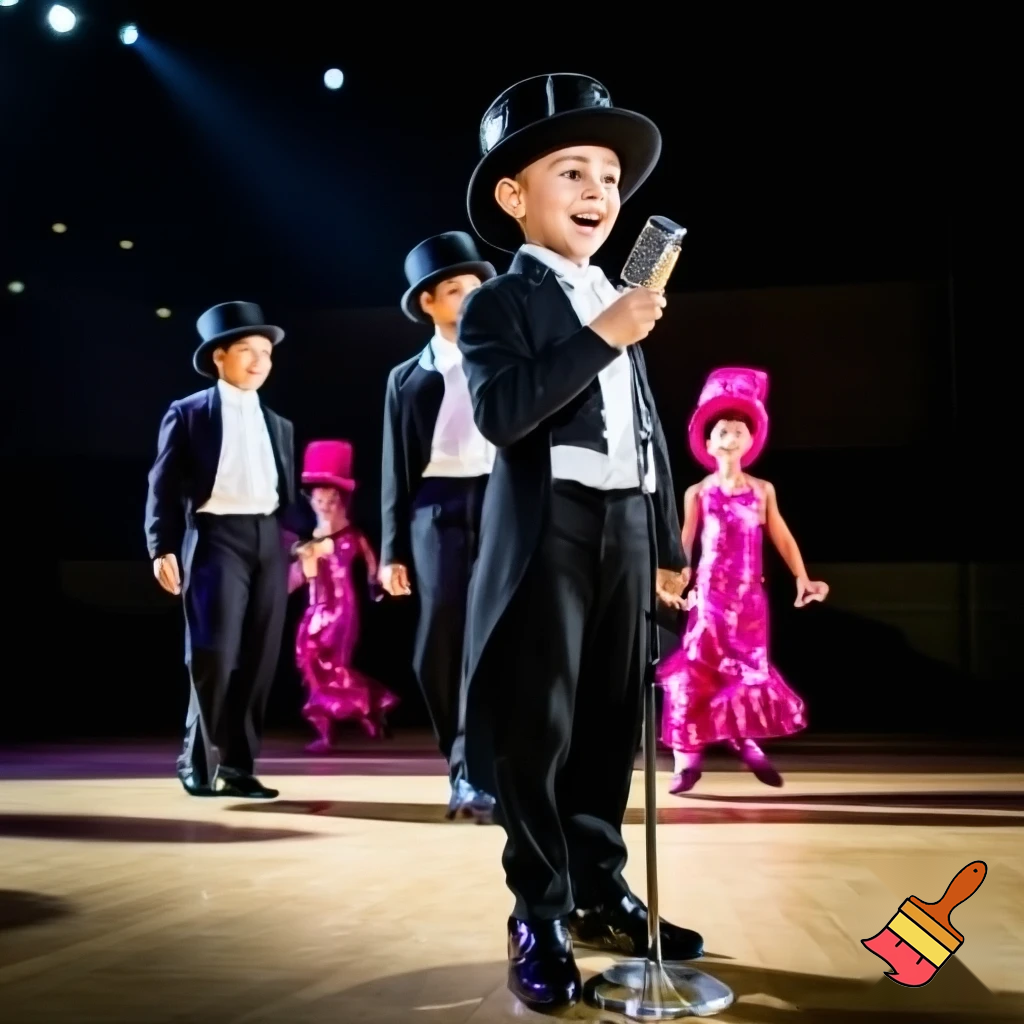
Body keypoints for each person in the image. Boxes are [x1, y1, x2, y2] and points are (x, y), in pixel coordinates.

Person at [456, 73, 702, 1011]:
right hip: (550, 530)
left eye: (609, 176)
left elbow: (645, 427)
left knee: (609, 720)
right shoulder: (500, 304)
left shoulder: (618, 295)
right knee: (542, 726)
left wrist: (667, 542)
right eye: (571, 172)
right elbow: (505, 413)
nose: (598, 190)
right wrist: (603, 333)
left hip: (627, 528)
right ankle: (540, 907)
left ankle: (601, 888)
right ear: (514, 197)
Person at [145, 301, 312, 799]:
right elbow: (162, 483)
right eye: (247, 351)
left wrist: (307, 538)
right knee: (213, 654)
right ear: (219, 356)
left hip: (269, 540)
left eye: (266, 353)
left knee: (260, 657)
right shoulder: (189, 412)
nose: (260, 361)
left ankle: (238, 767)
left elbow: (287, 494)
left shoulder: (279, 423)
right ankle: (197, 761)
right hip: (215, 537)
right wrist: (161, 545)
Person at [658, 367, 828, 793]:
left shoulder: (762, 490)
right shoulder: (698, 492)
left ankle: (744, 741)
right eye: (722, 430)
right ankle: (686, 761)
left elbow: (781, 536)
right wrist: (674, 586)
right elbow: (684, 546)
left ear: (751, 441)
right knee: (696, 672)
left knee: (744, 675)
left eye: (739, 431)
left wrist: (802, 577)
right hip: (709, 599)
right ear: (708, 443)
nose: (731, 436)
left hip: (749, 604)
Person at [380, 232, 498, 821]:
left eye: (476, 288)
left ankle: (479, 771)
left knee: (492, 636)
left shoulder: (505, 358)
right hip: (435, 506)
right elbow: (393, 468)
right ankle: (461, 761)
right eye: (455, 290)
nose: (470, 298)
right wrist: (392, 550)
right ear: (428, 302)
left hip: (502, 499)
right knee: (439, 639)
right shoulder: (407, 377)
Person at [289, 441, 399, 751]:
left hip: (340, 610)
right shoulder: (308, 542)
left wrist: (380, 584)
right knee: (311, 666)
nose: (324, 505)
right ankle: (365, 709)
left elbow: (375, 571)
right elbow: (299, 577)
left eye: (330, 499)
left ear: (340, 501)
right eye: (319, 499)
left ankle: (364, 707)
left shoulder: (352, 536)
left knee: (331, 667)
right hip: (314, 611)